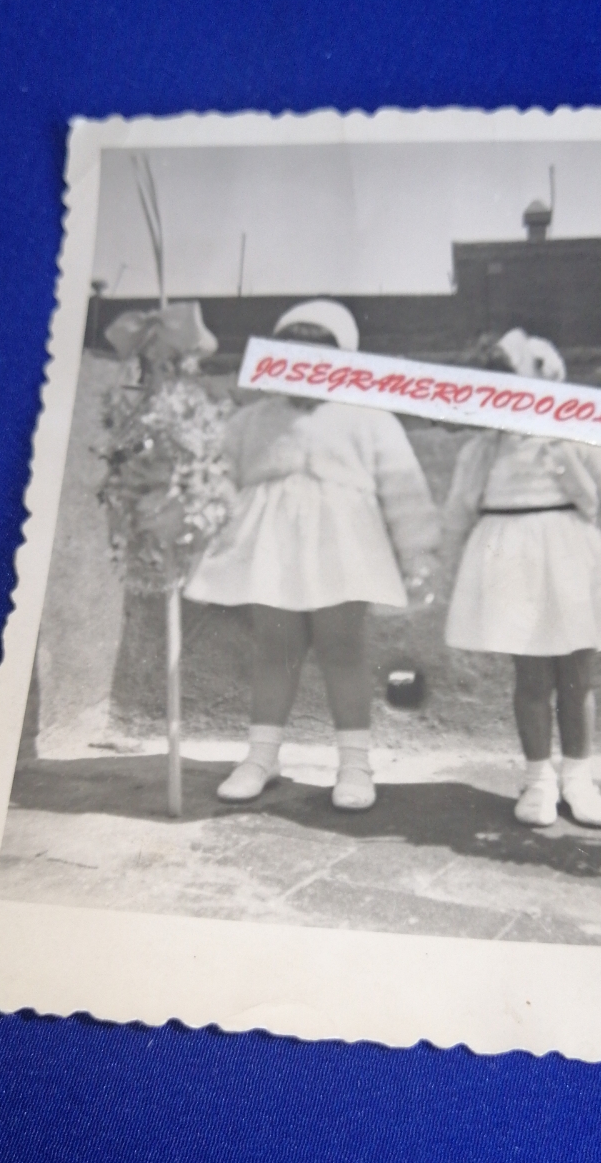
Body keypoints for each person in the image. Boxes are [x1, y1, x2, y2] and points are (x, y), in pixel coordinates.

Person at [185, 299, 438, 810]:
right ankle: (262, 756)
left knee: (341, 649)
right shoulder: (251, 420)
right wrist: (194, 517)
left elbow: (405, 491)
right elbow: (218, 478)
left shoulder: (369, 418)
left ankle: (354, 763)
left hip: (342, 545)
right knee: (275, 651)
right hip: (271, 546)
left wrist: (418, 555)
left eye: (320, 356)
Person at [442, 329, 601, 828]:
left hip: (574, 562)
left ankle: (578, 778)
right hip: (511, 564)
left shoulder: (575, 437)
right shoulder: (481, 452)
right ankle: (538, 780)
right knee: (530, 678)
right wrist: (443, 566)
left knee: (576, 677)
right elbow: (459, 513)